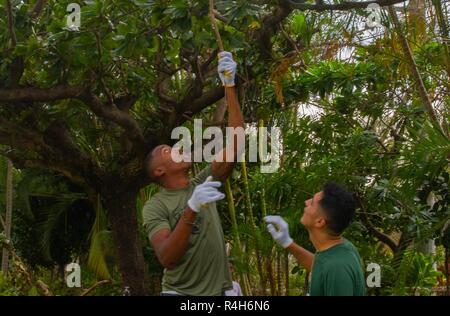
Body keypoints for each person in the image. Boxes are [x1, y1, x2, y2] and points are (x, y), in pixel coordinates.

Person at [142, 51, 244, 296]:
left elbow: (237, 144)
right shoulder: (154, 207)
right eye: (168, 150)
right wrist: (192, 208)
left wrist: (229, 86)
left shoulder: (202, 182)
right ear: (159, 171)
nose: (177, 148)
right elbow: (167, 257)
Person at [264, 182, 366, 296]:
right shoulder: (343, 248)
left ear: (320, 221)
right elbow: (321, 267)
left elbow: (331, 270)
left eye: (312, 203)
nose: (306, 202)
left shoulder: (337, 269)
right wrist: (287, 242)